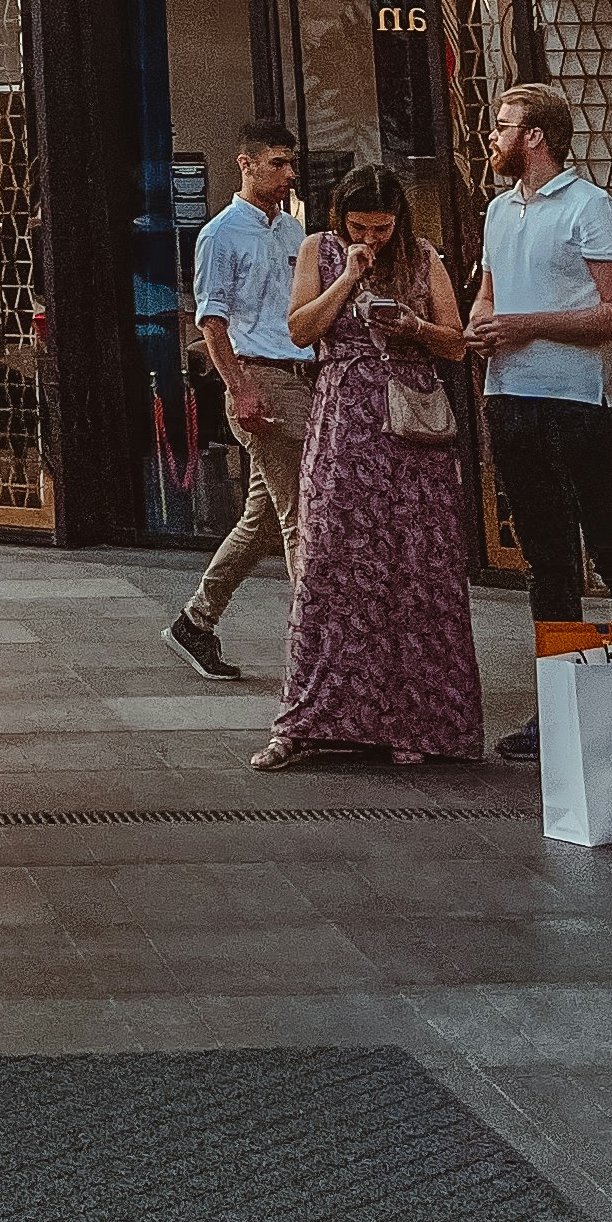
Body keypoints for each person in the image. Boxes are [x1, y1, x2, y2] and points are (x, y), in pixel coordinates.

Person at [252, 160, 481, 773]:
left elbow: (457, 342)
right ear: (341, 220)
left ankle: (419, 722)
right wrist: (348, 279)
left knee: (416, 569)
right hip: (344, 421)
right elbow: (300, 330)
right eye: (360, 227)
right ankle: (312, 719)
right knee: (332, 562)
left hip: (411, 427)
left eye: (382, 228)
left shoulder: (423, 258)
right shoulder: (317, 250)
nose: (372, 238)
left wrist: (413, 326)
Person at [467, 82, 612, 761]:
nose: (492, 137)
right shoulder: (498, 210)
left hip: (582, 403)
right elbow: (488, 294)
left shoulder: (589, 206)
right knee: (546, 560)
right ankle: (557, 707)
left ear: (535, 137)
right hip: (510, 397)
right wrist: (482, 326)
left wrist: (527, 325)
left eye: (503, 126)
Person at [166, 122, 306, 680]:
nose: (289, 173)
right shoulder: (220, 234)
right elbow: (212, 321)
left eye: (291, 163)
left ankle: (195, 621)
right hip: (262, 379)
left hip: (299, 377)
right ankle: (316, 645)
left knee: (264, 519)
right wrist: (240, 388)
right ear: (245, 164)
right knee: (301, 517)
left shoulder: (294, 230)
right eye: (277, 163)